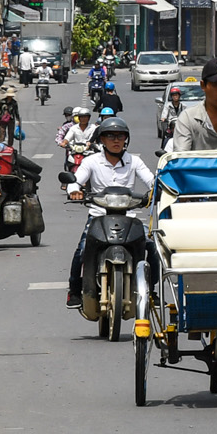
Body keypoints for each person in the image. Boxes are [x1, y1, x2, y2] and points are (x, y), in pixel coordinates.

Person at [64, 115, 155, 308]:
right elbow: (76, 181)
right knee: (82, 250)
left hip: (129, 216)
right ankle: (74, 291)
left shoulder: (135, 161)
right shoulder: (91, 162)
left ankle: (151, 290)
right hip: (98, 216)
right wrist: (75, 192)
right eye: (110, 136)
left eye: (120, 136)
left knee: (152, 248)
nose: (116, 140)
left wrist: (157, 190)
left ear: (126, 139)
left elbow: (151, 180)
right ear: (102, 140)